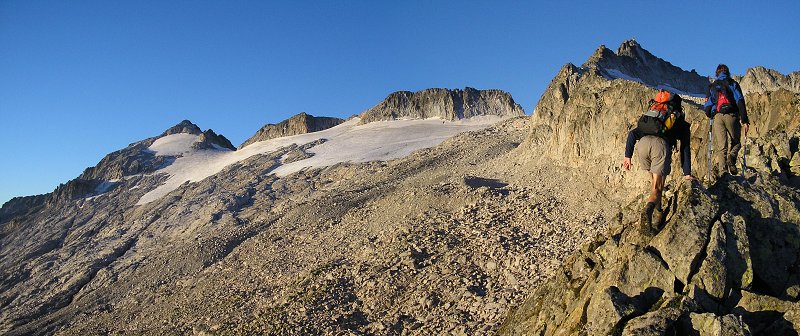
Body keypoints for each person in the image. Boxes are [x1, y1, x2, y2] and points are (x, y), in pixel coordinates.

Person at [622, 90, 685, 234]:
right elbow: (681, 140)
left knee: (654, 184)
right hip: (659, 146)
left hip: (642, 145)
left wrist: (627, 157)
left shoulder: (651, 115)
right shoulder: (672, 115)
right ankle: (650, 212)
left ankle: (659, 211)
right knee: (657, 187)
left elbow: (632, 134)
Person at [703, 64, 750, 176]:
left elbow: (707, 106)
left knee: (722, 146)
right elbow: (740, 101)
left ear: (717, 73)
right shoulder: (733, 83)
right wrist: (744, 120)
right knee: (736, 142)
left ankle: (723, 172)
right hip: (731, 116)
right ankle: (732, 158)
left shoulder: (712, 86)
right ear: (727, 72)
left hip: (718, 118)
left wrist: (711, 114)